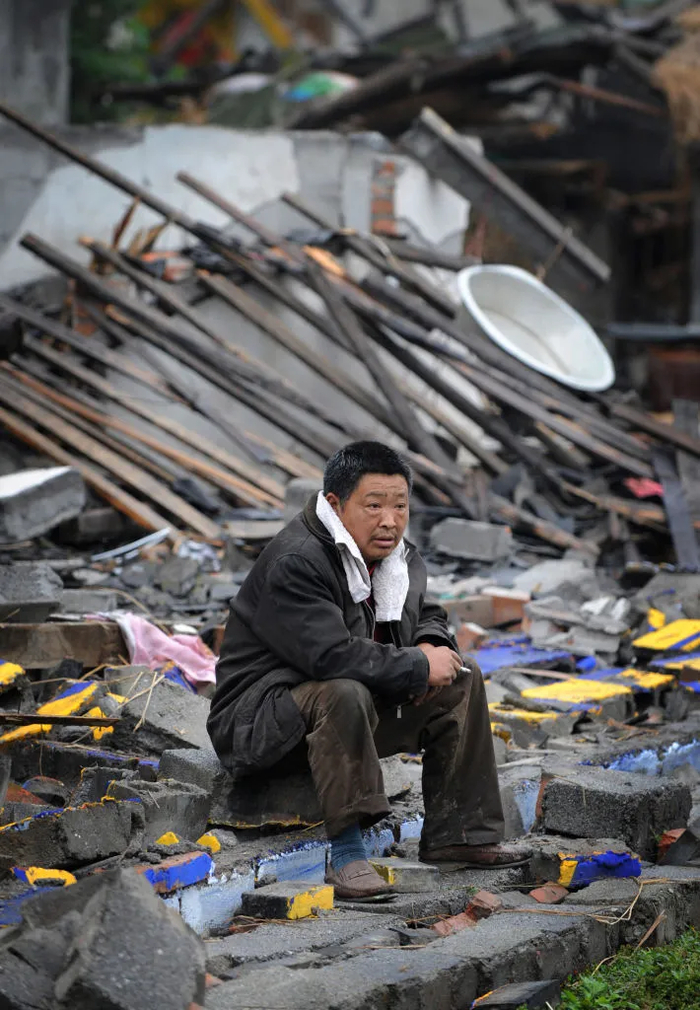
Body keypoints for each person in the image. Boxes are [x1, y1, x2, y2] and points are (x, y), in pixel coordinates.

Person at [208, 441, 529, 900]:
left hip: (339, 723)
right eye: (374, 505)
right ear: (336, 504)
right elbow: (330, 656)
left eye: (400, 506)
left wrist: (429, 645)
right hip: (259, 724)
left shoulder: (395, 557)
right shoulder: (298, 560)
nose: (390, 520)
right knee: (343, 690)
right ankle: (347, 855)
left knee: (462, 676)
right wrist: (416, 667)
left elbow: (429, 612)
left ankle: (460, 835)